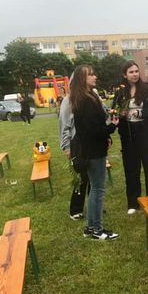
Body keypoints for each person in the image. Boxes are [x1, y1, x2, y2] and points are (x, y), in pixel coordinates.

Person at [71, 65, 119, 240]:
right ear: (82, 79)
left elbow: (91, 128)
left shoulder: (83, 98)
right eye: (90, 75)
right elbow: (94, 131)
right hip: (93, 152)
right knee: (98, 189)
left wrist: (106, 134)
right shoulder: (87, 101)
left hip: (90, 150)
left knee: (94, 189)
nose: (95, 77)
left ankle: (91, 228)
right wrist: (112, 126)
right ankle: (97, 230)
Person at [113, 61, 148, 214]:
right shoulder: (120, 92)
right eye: (131, 72)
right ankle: (133, 203)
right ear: (125, 75)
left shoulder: (147, 89)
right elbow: (114, 110)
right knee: (131, 170)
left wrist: (142, 113)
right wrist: (119, 114)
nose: (135, 74)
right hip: (128, 137)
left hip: (147, 134)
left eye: (136, 71)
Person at [59, 87, 90, 221]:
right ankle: (76, 209)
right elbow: (64, 124)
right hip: (77, 144)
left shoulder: (92, 96)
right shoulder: (69, 100)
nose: (94, 77)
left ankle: (94, 205)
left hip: (93, 143)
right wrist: (67, 146)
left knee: (94, 176)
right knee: (81, 177)